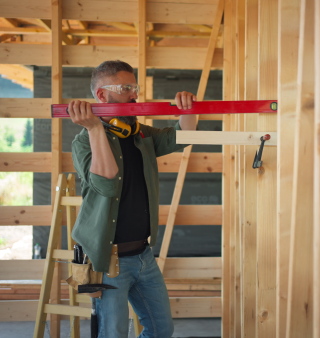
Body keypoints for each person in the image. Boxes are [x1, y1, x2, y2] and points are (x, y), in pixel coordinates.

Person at [67, 60, 198, 338]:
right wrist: (94, 129)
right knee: (112, 333)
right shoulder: (83, 141)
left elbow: (181, 136)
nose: (134, 94)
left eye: (134, 87)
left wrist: (189, 111)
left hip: (143, 256)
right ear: (102, 95)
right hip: (108, 259)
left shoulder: (139, 134)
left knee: (161, 329)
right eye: (126, 88)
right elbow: (106, 182)